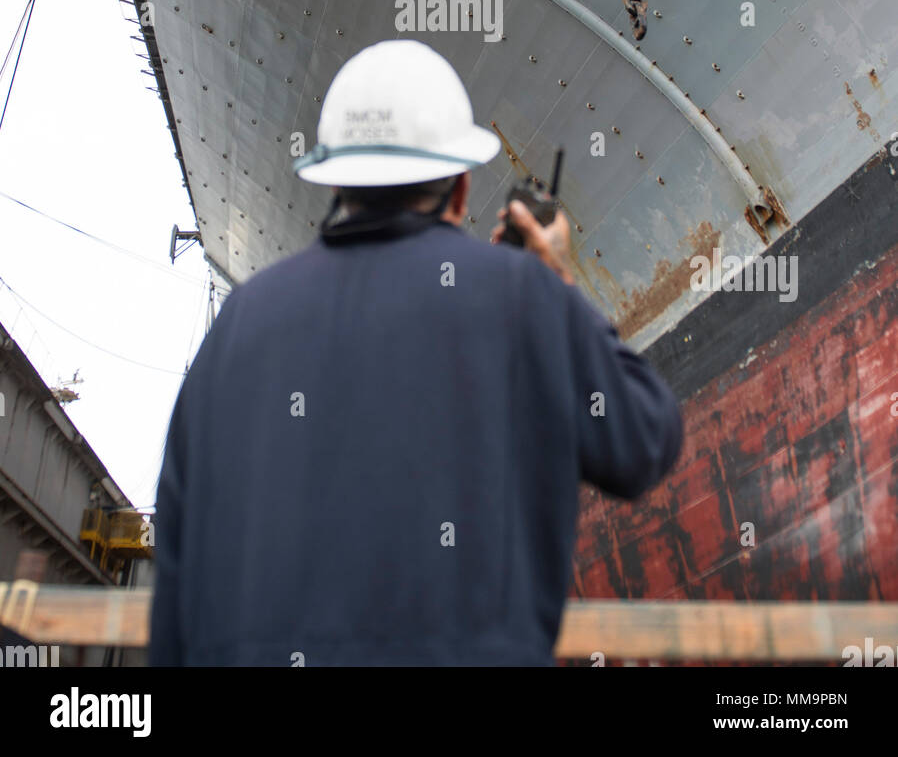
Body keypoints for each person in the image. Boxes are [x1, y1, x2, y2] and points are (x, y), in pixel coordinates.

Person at [150, 39, 682, 666]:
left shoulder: (238, 326)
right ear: (460, 188)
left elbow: (176, 569)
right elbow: (645, 439)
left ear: (335, 181)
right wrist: (557, 280)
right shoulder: (521, 296)